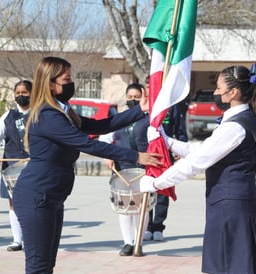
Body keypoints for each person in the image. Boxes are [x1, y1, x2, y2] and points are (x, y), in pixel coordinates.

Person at [12, 56, 161, 274]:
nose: (71, 83)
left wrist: (139, 110)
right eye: (67, 79)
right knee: (38, 267)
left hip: (51, 196)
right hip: (37, 196)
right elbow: (86, 144)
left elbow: (100, 126)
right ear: (50, 83)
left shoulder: (62, 110)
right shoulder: (47, 115)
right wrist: (136, 156)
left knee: (46, 265)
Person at [140, 59, 256, 274]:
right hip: (230, 203)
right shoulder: (240, 120)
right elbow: (201, 150)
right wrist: (167, 141)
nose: (216, 92)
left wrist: (156, 183)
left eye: (219, 88)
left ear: (233, 92)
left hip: (230, 207)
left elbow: (196, 162)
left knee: (230, 267)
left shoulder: (235, 127)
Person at [100, 83, 150, 256]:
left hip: (143, 167)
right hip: (122, 168)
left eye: (136, 97)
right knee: (125, 205)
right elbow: (105, 138)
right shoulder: (119, 118)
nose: (133, 100)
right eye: (130, 97)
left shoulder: (150, 118)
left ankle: (139, 242)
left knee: (142, 206)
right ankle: (127, 242)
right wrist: (108, 156)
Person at [0, 80, 32, 252]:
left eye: (24, 93)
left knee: (30, 203)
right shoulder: (8, 116)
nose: (20, 96)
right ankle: (17, 240)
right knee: (13, 202)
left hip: (31, 164)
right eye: (18, 93)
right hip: (11, 165)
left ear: (32, 94)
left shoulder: (38, 114)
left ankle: (30, 239)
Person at [144, 90, 189, 241]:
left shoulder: (171, 107)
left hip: (165, 155)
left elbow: (180, 130)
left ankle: (158, 226)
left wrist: (180, 149)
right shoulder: (144, 107)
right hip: (145, 154)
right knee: (147, 190)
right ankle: (147, 226)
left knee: (162, 190)